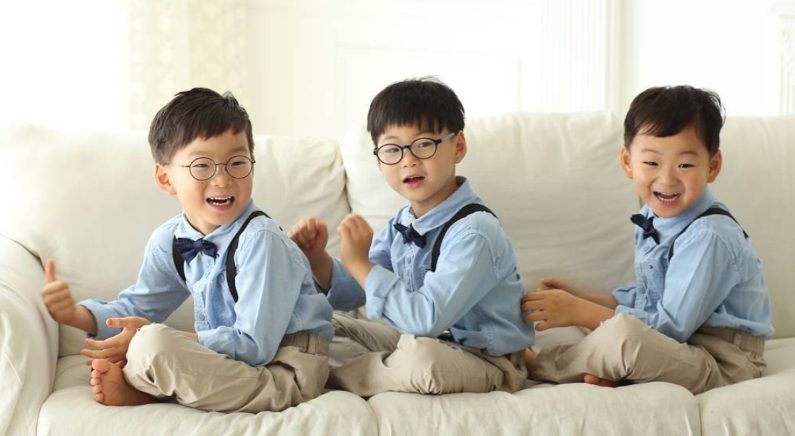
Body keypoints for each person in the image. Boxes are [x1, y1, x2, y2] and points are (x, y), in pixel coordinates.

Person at [40, 87, 334, 412]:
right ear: (165, 179)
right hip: (234, 359)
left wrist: (162, 338)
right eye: (202, 166)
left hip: (285, 367)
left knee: (153, 343)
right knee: (148, 344)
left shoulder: (261, 240)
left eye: (237, 162)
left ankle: (146, 390)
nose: (222, 180)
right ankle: (155, 380)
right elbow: (139, 307)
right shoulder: (170, 241)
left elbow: (255, 346)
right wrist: (75, 315)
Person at [290, 77, 534, 396]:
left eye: (424, 144)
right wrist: (317, 258)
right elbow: (354, 291)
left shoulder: (475, 232)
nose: (408, 160)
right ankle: (356, 367)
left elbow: (425, 319)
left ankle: (323, 377)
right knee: (318, 323)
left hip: (485, 359)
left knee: (422, 360)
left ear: (458, 146)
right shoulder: (402, 223)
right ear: (379, 161)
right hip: (419, 341)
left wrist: (360, 263)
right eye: (393, 149)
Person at [522, 85, 773, 394]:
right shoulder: (654, 218)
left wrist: (580, 311)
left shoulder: (710, 235)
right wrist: (583, 298)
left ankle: (540, 365)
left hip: (724, 359)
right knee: (621, 334)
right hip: (683, 346)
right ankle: (621, 371)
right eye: (652, 163)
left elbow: (669, 328)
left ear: (712, 166)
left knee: (625, 337)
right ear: (628, 162)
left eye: (685, 165)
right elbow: (648, 298)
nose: (667, 179)